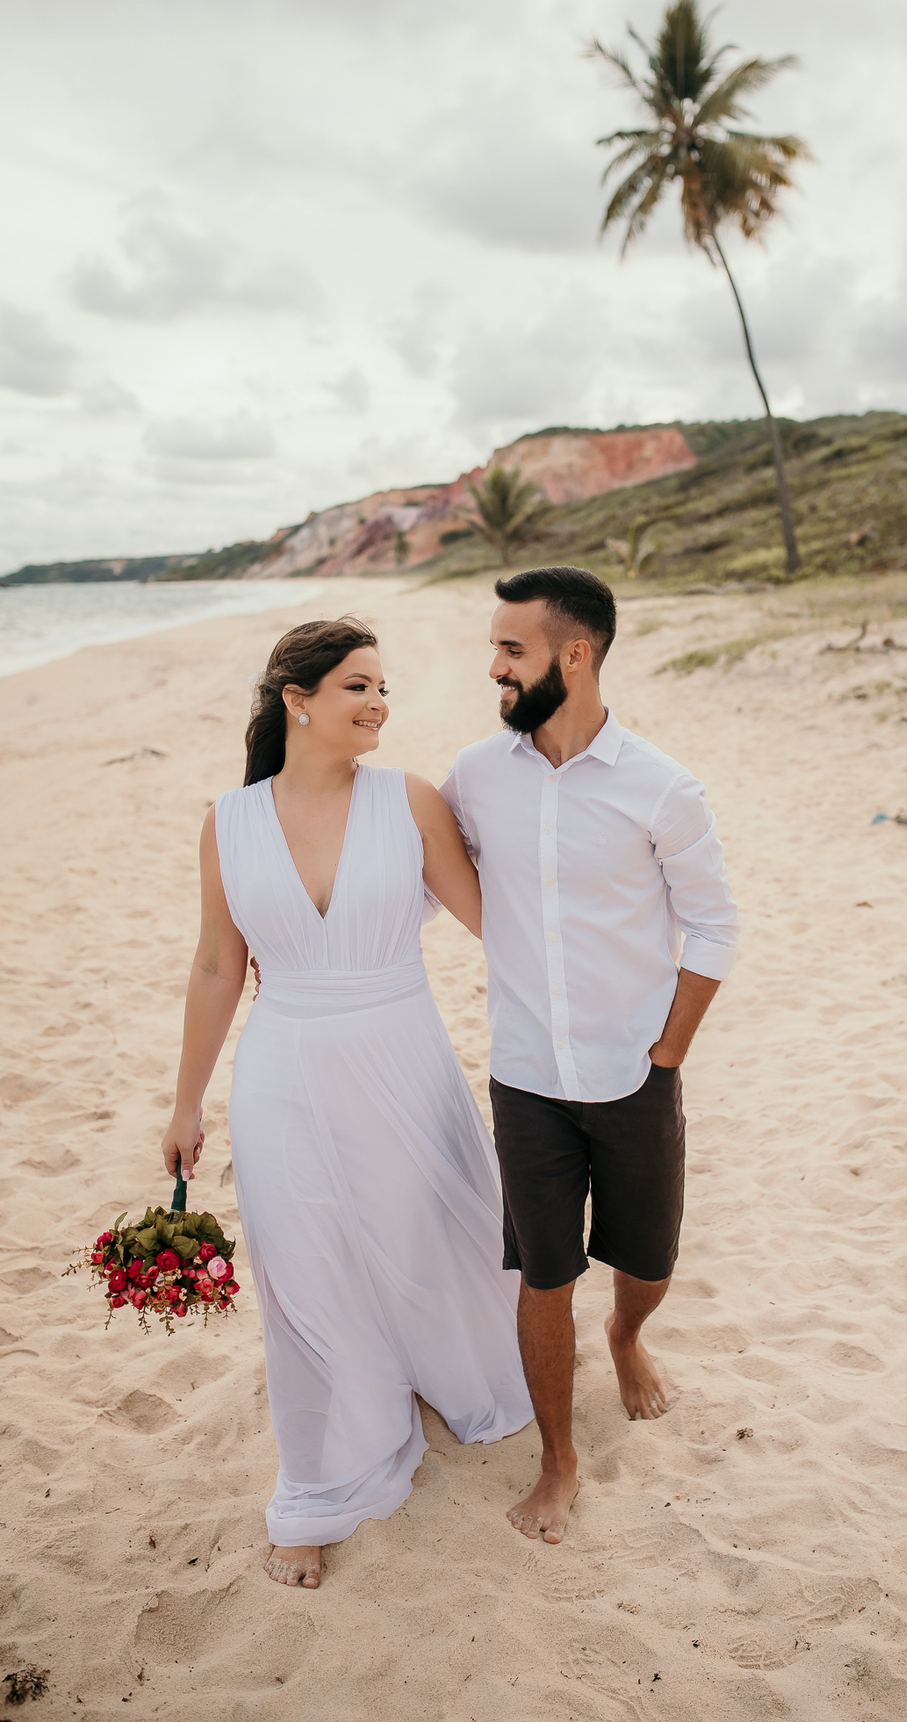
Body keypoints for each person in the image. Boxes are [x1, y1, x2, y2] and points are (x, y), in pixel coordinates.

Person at [161, 616, 533, 1590]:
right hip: (283, 1069)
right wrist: (185, 1104)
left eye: (383, 688)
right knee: (304, 1262)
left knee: (424, 1234)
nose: (378, 704)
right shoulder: (229, 823)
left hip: (401, 1053)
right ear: (298, 700)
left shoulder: (408, 801)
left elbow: (494, 920)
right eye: (358, 686)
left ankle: (440, 1376)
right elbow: (215, 966)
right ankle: (325, 1481)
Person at [440, 566, 738, 1546]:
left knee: (647, 1256)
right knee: (544, 1271)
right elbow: (415, 867)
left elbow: (713, 927)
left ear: (574, 655)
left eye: (510, 649)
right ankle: (559, 1459)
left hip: (633, 1074)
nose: (495, 667)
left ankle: (628, 1335)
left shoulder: (662, 787)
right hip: (525, 1077)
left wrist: (667, 1050)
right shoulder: (475, 778)